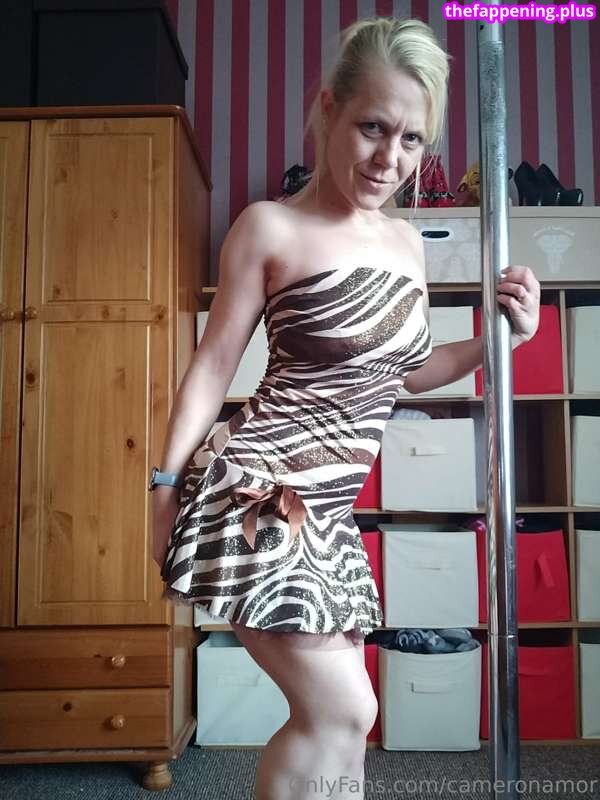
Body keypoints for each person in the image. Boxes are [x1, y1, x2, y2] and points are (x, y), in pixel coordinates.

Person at [151, 17, 540, 800]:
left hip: (330, 515)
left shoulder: (407, 244)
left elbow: (407, 374)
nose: (390, 157)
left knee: (341, 727)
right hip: (257, 492)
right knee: (347, 709)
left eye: (411, 139)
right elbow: (213, 365)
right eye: (372, 127)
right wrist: (162, 488)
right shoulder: (270, 227)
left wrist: (500, 338)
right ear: (329, 107)